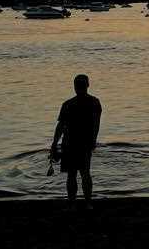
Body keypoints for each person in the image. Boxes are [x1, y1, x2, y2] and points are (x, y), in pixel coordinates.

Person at [51, 74, 102, 206]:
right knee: (85, 174)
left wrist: (54, 144)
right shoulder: (94, 102)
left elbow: (60, 126)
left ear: (74, 86)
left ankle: (72, 203)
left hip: (69, 143)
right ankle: (88, 203)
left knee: (71, 175)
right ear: (88, 85)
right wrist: (93, 141)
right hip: (84, 143)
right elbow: (96, 125)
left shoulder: (68, 104)